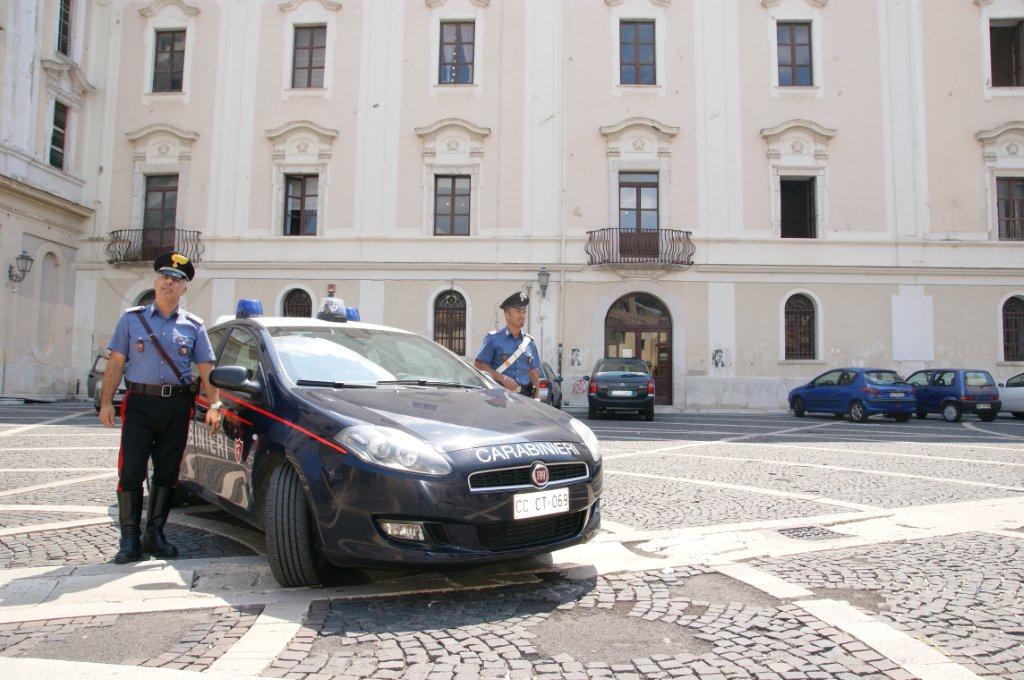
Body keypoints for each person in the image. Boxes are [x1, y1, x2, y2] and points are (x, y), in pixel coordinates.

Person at [98, 252, 222, 564]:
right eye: (164, 276)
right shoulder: (131, 319)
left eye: (177, 279)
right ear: (156, 281)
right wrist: (106, 403)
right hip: (139, 404)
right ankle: (129, 540)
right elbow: (116, 363)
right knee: (131, 471)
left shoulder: (194, 326)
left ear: (185, 288)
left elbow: (206, 367)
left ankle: (155, 534)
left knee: (167, 473)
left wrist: (216, 404)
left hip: (176, 406)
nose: (169, 281)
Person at [474, 291, 541, 398]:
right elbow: (479, 365)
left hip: (525, 397)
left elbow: (533, 373)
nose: (522, 315)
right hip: (499, 397)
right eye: (518, 311)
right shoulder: (494, 338)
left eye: (524, 312)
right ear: (507, 314)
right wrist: (502, 378)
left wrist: (536, 397)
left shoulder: (529, 342)